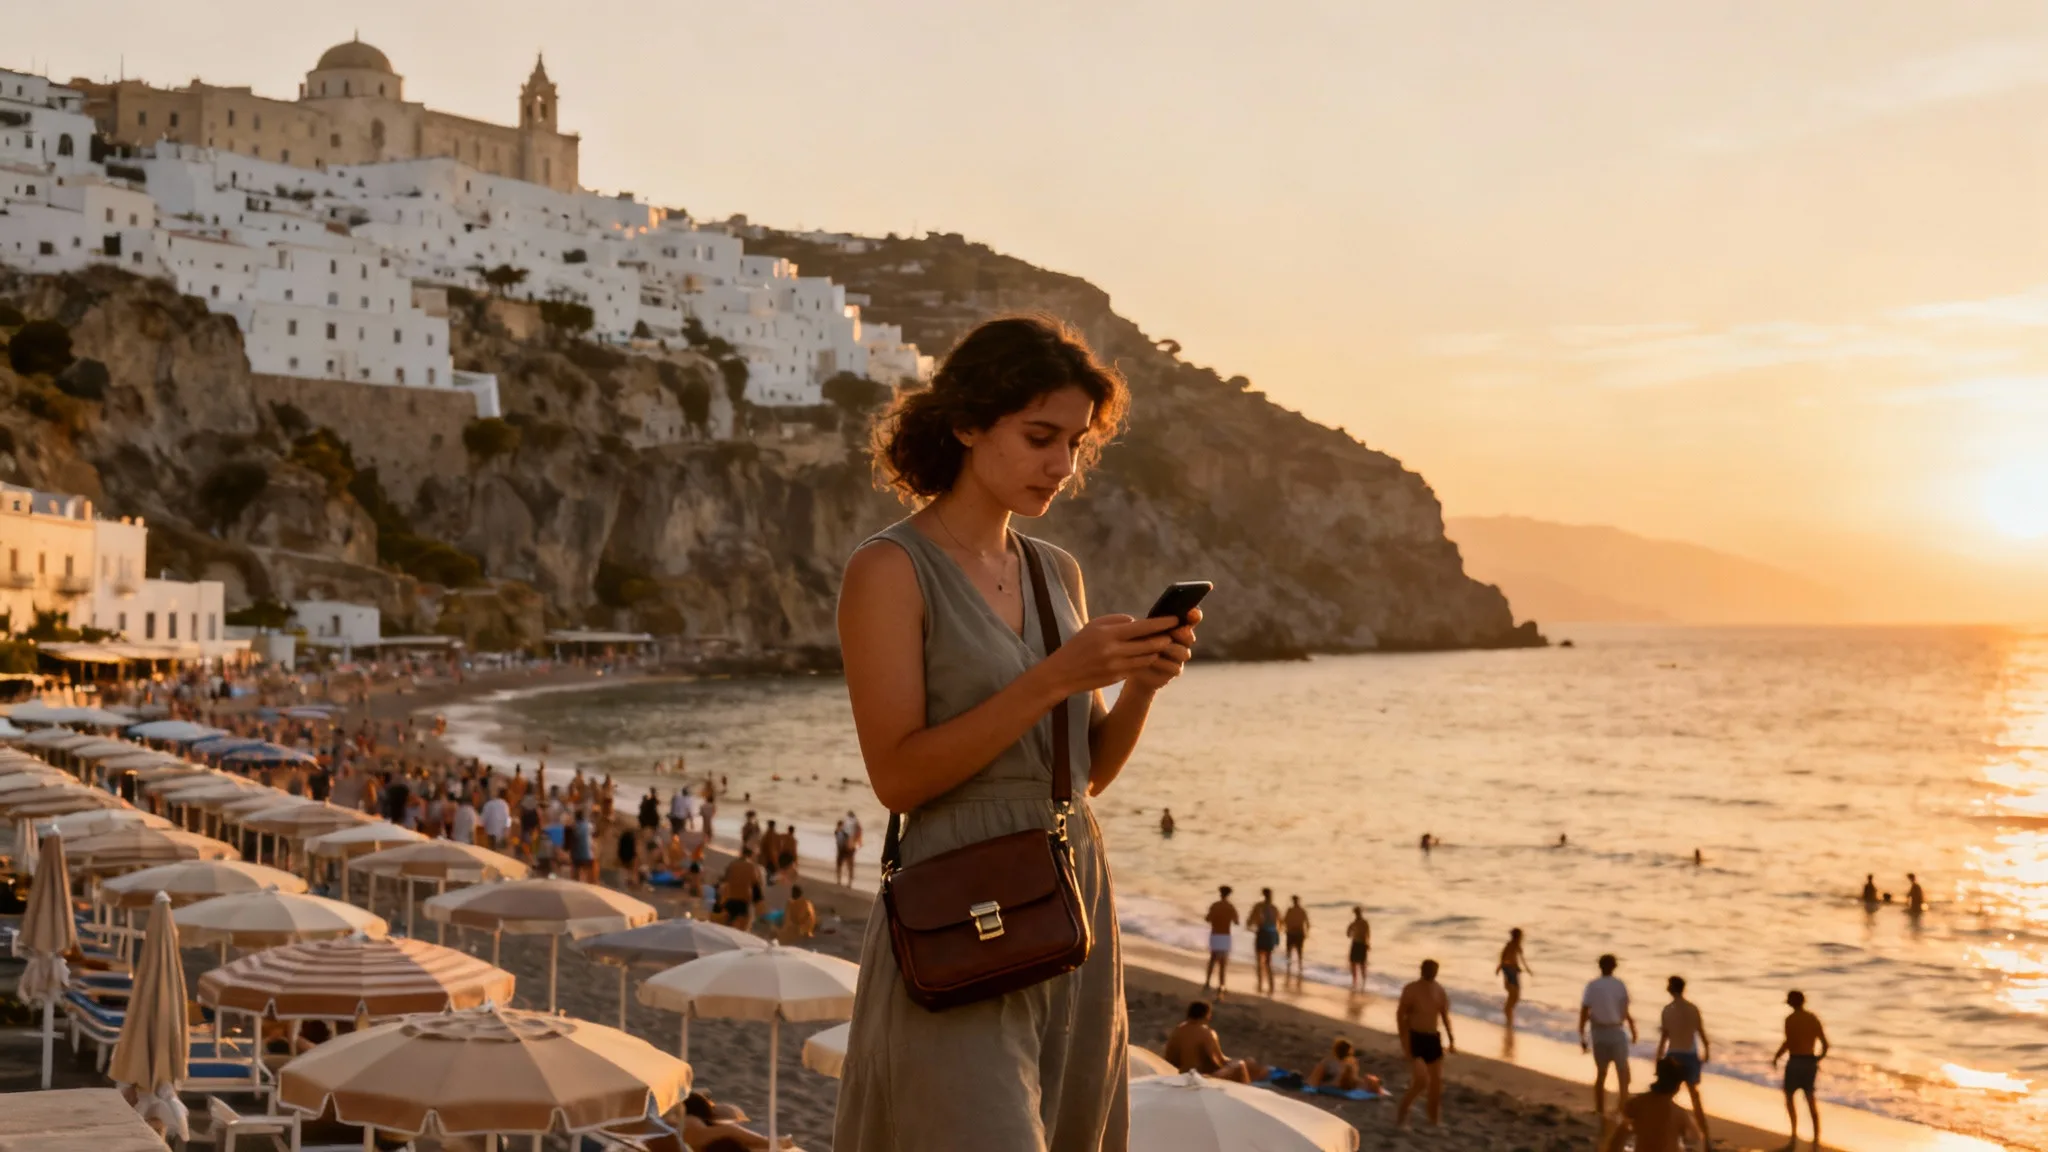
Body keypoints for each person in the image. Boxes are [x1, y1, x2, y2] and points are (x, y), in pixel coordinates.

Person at [831, 316, 1190, 1152]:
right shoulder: (888, 570)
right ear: (966, 423)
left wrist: (1140, 684)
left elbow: (1085, 772)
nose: (1062, 466)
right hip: (962, 899)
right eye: (1039, 437)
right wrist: (1058, 676)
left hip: (1072, 895)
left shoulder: (1053, 569)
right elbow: (899, 779)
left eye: (1075, 443)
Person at [1395, 959, 1455, 1128]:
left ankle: (1434, 1119)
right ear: (1422, 970)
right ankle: (1402, 1117)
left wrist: (1451, 1040)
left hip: (1433, 1039)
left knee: (1436, 1084)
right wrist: (1404, 1042)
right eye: (1428, 969)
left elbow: (1444, 1017)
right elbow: (1400, 1016)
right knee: (1421, 1082)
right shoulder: (1411, 989)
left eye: (1434, 969)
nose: (1431, 972)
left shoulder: (1439, 991)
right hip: (1415, 1038)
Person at [1601, 1057, 1702, 1152]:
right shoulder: (1679, 1113)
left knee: (1622, 1130)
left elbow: (1619, 1137)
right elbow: (1696, 1137)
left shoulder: (1637, 1103)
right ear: (1677, 1088)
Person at [1656, 975, 1711, 1145]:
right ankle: (1706, 1137)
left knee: (1666, 1095)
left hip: (1674, 1054)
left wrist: (1658, 1057)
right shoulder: (1693, 1008)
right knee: (1694, 1095)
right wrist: (1707, 1050)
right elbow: (1701, 1032)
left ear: (1671, 989)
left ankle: (1663, 1131)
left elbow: (1665, 1038)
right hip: (1690, 1054)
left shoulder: (1667, 1009)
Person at [1580, 953, 1636, 1117]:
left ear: (1600, 966)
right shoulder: (1619, 985)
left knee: (1601, 1073)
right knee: (1623, 1073)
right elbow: (1624, 1010)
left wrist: (1582, 1035)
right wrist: (1632, 1028)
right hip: (1616, 1030)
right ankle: (1622, 1109)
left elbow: (1584, 1010)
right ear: (1615, 967)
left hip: (1598, 1031)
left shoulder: (1592, 985)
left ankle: (1599, 1109)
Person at [1772, 990, 1829, 1147]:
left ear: (1791, 1003)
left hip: (1795, 1062)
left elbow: (1788, 1042)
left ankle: (1793, 1136)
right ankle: (1816, 1140)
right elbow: (1825, 1044)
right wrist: (1818, 1058)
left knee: (1790, 1098)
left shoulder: (1790, 1019)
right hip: (1810, 1062)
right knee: (1811, 1100)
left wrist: (1777, 1056)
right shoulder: (1813, 1019)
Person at [1161, 1000, 1267, 1083]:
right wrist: (1238, 1062)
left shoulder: (1178, 1030)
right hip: (1198, 1080)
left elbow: (1169, 1061)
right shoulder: (1206, 1032)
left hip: (1179, 1077)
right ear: (1207, 1015)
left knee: (1245, 1064)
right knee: (1241, 1064)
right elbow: (1219, 1062)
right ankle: (1247, 1093)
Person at [1204, 886, 1240, 998]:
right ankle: (1221, 985)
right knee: (1223, 963)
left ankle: (1207, 982)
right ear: (1229, 895)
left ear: (1220, 894)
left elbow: (1207, 919)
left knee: (1212, 959)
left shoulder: (1215, 905)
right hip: (1225, 935)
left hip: (1215, 934)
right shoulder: (1230, 907)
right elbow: (1236, 922)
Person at [1308, 1037, 1375, 1093]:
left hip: (1338, 1084)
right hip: (1343, 1083)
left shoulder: (1329, 1061)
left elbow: (1316, 1078)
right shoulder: (1350, 1061)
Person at [719, 845, 762, 931]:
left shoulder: (732, 865)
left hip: (730, 902)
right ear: (751, 855)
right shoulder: (752, 867)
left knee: (725, 931)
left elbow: (725, 881)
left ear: (741, 853)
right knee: (741, 933)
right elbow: (756, 889)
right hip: (743, 904)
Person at [1497, 927, 1531, 1026]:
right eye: (1521, 936)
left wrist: (1525, 968)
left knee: (1516, 996)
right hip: (1508, 971)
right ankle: (1508, 1017)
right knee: (1513, 995)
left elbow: (1520, 958)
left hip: (1514, 971)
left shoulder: (1518, 946)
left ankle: (1508, 1014)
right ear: (1517, 937)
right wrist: (1500, 967)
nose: (1522, 938)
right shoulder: (1509, 945)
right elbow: (1503, 956)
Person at [1249, 888, 1280, 994]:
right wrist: (1276, 937)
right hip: (1271, 935)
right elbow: (1279, 923)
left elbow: (1250, 922)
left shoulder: (1258, 907)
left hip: (1262, 933)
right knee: (1268, 962)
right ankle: (1271, 986)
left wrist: (1253, 928)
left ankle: (1260, 985)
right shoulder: (1274, 908)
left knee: (1259, 961)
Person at [1280, 895, 1309, 981]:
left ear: (1293, 901)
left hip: (1292, 933)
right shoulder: (1302, 910)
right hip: (1299, 933)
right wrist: (1307, 933)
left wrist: (1282, 928)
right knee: (1299, 951)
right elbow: (1307, 923)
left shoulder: (1290, 910)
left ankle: (1290, 968)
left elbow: (1284, 921)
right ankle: (1299, 968)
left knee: (1290, 951)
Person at [834, 810, 863, 886]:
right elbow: (858, 835)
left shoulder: (844, 824)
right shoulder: (856, 825)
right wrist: (859, 844)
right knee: (850, 865)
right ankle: (849, 883)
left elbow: (837, 833)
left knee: (840, 864)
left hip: (842, 847)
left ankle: (839, 880)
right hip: (850, 848)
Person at [1345, 906, 1370, 993]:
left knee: (1358, 964)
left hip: (1359, 944)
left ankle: (1359, 983)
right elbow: (1348, 934)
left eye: (1357, 912)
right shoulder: (1362, 923)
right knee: (1356, 964)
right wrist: (1367, 944)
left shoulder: (1358, 923)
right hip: (1359, 944)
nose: (1357, 914)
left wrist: (1367, 943)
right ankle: (1358, 983)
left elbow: (1348, 934)